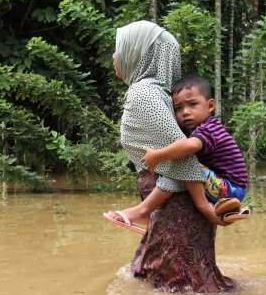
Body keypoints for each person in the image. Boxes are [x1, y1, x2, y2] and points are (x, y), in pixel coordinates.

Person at [103, 20, 224, 231]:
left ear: (137, 53)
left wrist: (203, 206)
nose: (114, 56)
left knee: (165, 264)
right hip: (177, 202)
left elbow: (183, 154)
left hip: (176, 207)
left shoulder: (144, 93)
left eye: (119, 48)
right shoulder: (160, 93)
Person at [141, 75, 250, 224]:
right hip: (226, 185)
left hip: (229, 187)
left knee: (184, 160)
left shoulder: (209, 129)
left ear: (210, 106)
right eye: (178, 108)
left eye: (192, 104)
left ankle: (144, 210)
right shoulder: (207, 127)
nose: (185, 112)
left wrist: (157, 156)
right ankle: (225, 209)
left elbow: (190, 146)